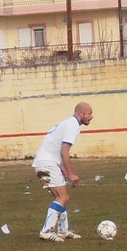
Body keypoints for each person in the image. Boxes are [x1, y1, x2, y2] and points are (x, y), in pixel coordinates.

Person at [32, 102, 93, 242]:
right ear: (81, 113)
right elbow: (64, 151)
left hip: (44, 162)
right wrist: (71, 174)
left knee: (60, 197)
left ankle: (62, 230)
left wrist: (62, 168)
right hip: (47, 163)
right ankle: (46, 231)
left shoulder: (67, 123)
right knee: (63, 197)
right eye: (89, 113)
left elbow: (54, 146)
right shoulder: (72, 126)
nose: (91, 117)